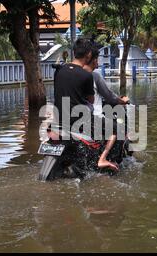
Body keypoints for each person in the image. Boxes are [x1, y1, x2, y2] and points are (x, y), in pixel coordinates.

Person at [53, 39, 119, 171]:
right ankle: (102, 159)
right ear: (89, 55)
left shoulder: (59, 71)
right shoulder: (86, 76)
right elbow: (91, 100)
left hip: (59, 119)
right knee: (116, 129)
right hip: (80, 120)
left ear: (74, 52)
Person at [82, 46, 130, 171]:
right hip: (93, 117)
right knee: (118, 130)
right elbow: (109, 97)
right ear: (92, 60)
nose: (98, 62)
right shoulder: (94, 76)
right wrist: (122, 101)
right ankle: (108, 160)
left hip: (73, 116)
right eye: (97, 59)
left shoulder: (74, 75)